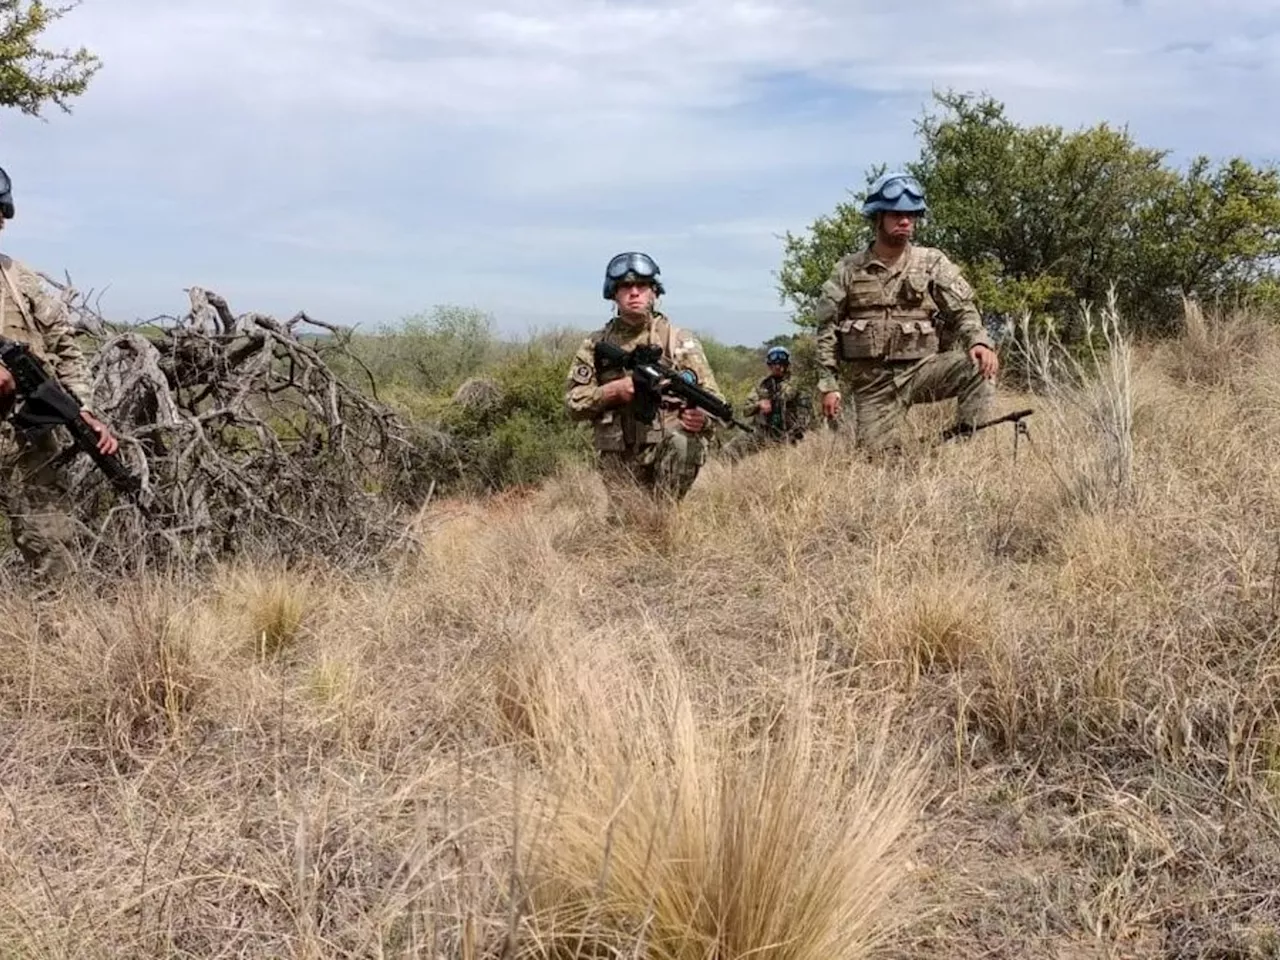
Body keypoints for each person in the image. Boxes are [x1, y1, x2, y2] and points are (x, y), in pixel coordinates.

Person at [812, 172, 999, 454]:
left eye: (912, 215)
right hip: (873, 384)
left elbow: (963, 310)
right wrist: (828, 384)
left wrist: (979, 341)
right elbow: (826, 329)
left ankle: (964, 450)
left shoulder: (931, 261)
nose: (905, 221)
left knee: (979, 369)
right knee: (879, 461)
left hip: (922, 371)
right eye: (897, 214)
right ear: (878, 218)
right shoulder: (848, 270)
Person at [0, 164, 119, 580]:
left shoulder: (21, 280)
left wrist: (82, 408)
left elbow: (65, 350)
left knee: (51, 542)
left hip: (23, 434)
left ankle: (51, 638)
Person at [564, 251, 724, 503]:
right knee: (626, 525)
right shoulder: (595, 344)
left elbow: (714, 400)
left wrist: (702, 420)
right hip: (617, 453)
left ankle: (664, 517)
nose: (634, 292)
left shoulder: (679, 340)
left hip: (666, 448)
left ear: (654, 292)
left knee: (661, 514)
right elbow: (573, 404)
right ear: (614, 293)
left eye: (642, 286)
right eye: (626, 286)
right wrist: (613, 391)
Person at [723, 345, 811, 461]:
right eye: (774, 365)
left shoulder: (797, 384)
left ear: (787, 365)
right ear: (769, 366)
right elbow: (745, 410)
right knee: (729, 452)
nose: (777, 368)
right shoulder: (762, 385)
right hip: (764, 431)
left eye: (781, 364)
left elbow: (805, 411)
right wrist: (759, 405)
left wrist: (797, 431)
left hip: (789, 434)